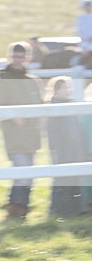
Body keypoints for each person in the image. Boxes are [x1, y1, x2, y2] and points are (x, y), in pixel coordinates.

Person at [0, 41, 43, 221]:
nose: (18, 60)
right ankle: (15, 208)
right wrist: (12, 115)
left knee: (28, 173)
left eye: (22, 56)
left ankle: (20, 207)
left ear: (27, 58)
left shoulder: (33, 82)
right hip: (13, 134)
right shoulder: (3, 82)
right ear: (10, 57)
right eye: (15, 56)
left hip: (31, 134)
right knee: (22, 170)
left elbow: (40, 105)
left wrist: (42, 117)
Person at [44, 76, 87, 217]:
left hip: (74, 148)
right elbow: (54, 132)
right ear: (57, 91)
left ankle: (75, 209)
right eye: (65, 88)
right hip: (63, 149)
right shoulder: (55, 107)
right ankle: (58, 210)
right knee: (62, 179)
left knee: (75, 178)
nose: (68, 91)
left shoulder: (71, 105)